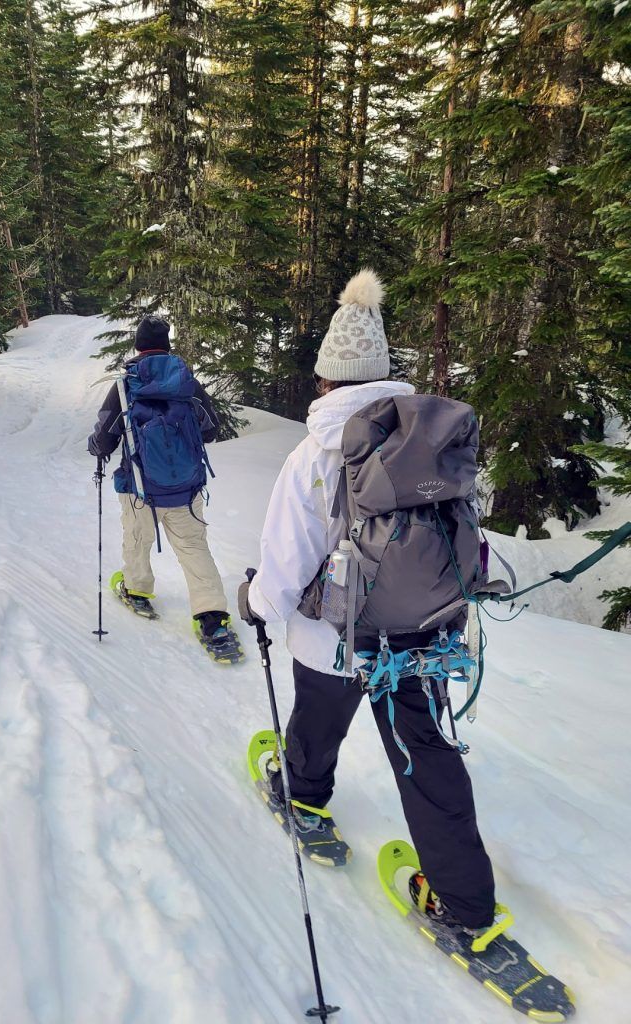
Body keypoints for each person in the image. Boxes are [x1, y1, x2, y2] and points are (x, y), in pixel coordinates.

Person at [238, 269, 496, 934]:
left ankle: (306, 796)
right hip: (423, 635)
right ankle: (464, 904)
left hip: (338, 638)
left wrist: (255, 603)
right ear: (383, 375)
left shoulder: (314, 452)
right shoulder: (428, 437)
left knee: (318, 722)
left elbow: (287, 560)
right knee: (426, 755)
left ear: (326, 379)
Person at [88, 315, 240, 657]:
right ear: (167, 345)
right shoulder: (187, 382)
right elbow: (211, 429)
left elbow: (105, 438)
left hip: (140, 487)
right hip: (186, 489)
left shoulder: (127, 384)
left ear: (138, 346)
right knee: (193, 548)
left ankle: (137, 590)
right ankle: (212, 616)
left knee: (137, 540)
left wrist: (97, 448)